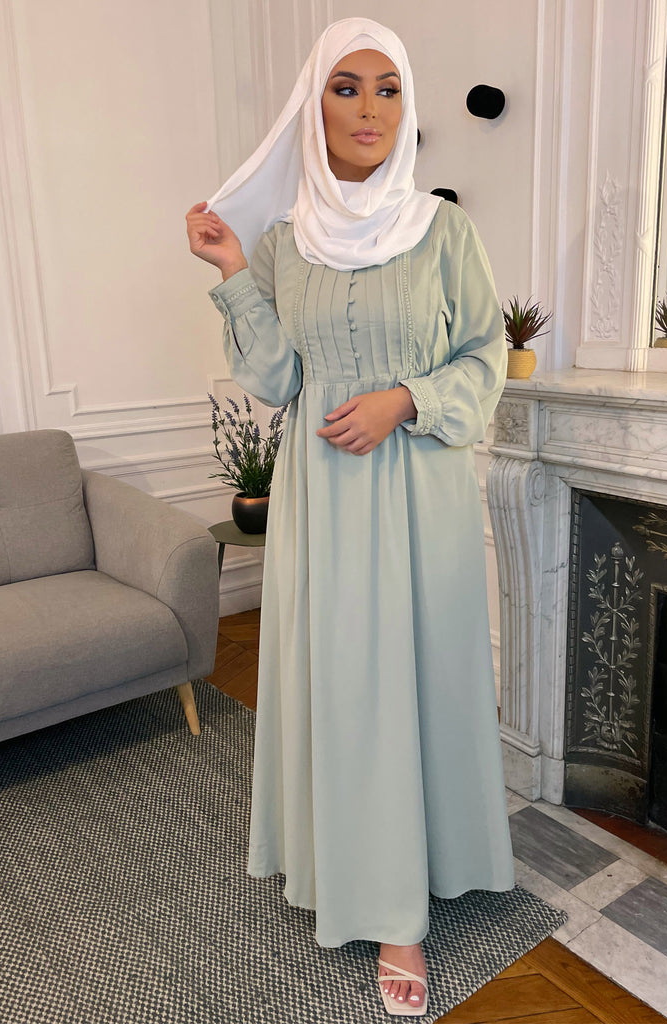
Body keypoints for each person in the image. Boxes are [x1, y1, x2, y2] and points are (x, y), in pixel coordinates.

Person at [186, 17, 514, 1017]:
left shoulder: (445, 232)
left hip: (422, 493)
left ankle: (416, 890)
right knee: (350, 687)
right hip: (325, 499)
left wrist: (405, 400)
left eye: (386, 88)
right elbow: (279, 376)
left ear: (407, 105)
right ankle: (366, 883)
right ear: (313, 107)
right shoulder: (285, 243)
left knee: (421, 679)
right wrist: (231, 268)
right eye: (345, 87)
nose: (369, 109)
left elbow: (485, 357)